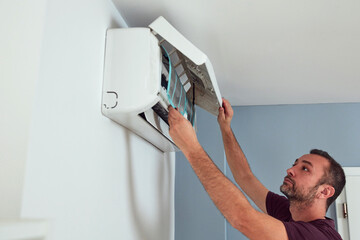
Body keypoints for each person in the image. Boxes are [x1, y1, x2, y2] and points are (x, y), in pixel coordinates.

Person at [167, 98, 346, 240]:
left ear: (324, 191)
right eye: (295, 164)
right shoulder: (289, 211)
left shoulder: (320, 237)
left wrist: (191, 148)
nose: (290, 170)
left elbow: (243, 219)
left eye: (305, 169)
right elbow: (245, 177)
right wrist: (225, 128)